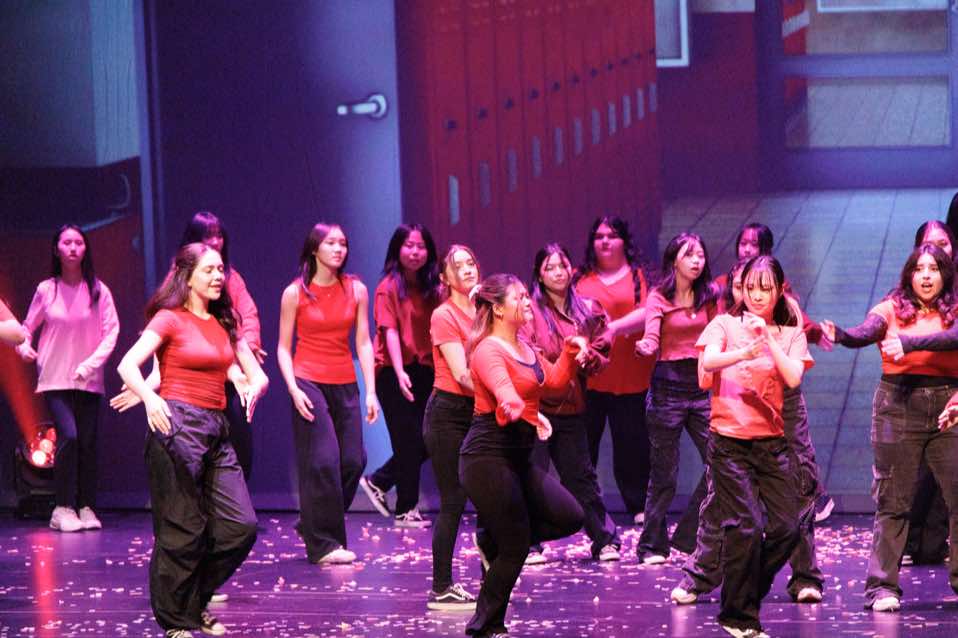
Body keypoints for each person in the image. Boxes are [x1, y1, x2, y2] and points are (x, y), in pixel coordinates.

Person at [116, 242, 267, 638]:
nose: (218, 277)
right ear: (187, 275)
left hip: (216, 427)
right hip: (175, 423)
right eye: (209, 270)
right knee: (182, 529)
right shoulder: (170, 319)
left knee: (241, 526)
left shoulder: (224, 323)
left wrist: (255, 385)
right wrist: (149, 397)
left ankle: (193, 601)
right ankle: (176, 620)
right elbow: (127, 364)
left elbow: (254, 373)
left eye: (220, 270)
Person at [673, 257, 826, 607]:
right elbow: (705, 372)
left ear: (777, 289)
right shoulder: (725, 323)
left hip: (782, 414)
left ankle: (804, 575)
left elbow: (792, 374)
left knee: (797, 494)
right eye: (744, 286)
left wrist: (766, 340)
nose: (753, 294)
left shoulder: (789, 320)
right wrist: (737, 353)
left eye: (762, 287)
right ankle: (701, 575)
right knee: (725, 504)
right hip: (734, 424)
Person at [823, 244, 958, 613]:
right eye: (919, 268)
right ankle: (882, 587)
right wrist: (842, 335)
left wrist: (909, 343)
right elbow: (867, 331)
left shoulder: (954, 309)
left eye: (934, 268)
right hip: (898, 405)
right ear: (909, 274)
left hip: (949, 406)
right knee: (893, 500)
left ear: (945, 274)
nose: (926, 275)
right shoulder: (892, 307)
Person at [460, 273, 585, 637]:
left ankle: (493, 540)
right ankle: (485, 625)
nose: (528, 302)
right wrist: (510, 403)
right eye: (519, 298)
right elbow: (501, 386)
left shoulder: (526, 347)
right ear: (498, 309)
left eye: (527, 297)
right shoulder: (488, 349)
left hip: (518, 456)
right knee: (515, 546)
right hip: (487, 456)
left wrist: (570, 353)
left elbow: (554, 384)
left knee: (571, 516)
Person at [276, 222, 380, 565]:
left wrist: (370, 391)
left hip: (345, 382)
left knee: (354, 461)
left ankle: (313, 522)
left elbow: (363, 342)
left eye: (343, 244)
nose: (338, 249)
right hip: (308, 380)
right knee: (322, 461)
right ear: (314, 249)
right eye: (331, 243)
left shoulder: (356, 289)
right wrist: (293, 388)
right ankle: (324, 545)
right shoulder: (295, 293)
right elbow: (283, 347)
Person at [17, 224, 119, 532]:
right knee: (70, 437)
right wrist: (23, 346)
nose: (73, 248)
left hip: (88, 378)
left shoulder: (98, 290)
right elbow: (26, 328)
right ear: (56, 249)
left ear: (85, 249)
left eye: (79, 242)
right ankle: (62, 507)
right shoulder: (47, 290)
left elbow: (111, 331)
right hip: (55, 376)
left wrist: (90, 365)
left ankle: (85, 506)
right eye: (67, 242)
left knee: (87, 443)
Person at [526, 243, 621, 562]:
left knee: (581, 477)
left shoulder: (587, 309)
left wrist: (587, 356)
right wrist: (563, 359)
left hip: (571, 407)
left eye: (562, 266)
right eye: (550, 267)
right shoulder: (529, 311)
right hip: (535, 408)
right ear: (539, 274)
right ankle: (529, 543)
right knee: (533, 476)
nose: (558, 273)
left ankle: (604, 539)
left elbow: (603, 348)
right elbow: (525, 352)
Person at [634, 233, 717, 565]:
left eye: (700, 255)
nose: (697, 261)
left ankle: (687, 536)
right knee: (664, 475)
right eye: (689, 255)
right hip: (667, 389)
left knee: (721, 460)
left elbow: (719, 336)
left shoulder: (710, 296)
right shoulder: (659, 297)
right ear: (674, 261)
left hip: (700, 387)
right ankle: (651, 544)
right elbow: (651, 336)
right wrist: (645, 346)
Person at [360, 223, 441, 528]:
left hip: (425, 369)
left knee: (430, 438)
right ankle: (406, 508)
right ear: (398, 249)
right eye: (409, 246)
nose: (415, 252)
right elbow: (389, 331)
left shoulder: (433, 286)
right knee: (407, 439)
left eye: (421, 246)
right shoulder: (388, 287)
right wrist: (398, 371)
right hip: (392, 371)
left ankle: (380, 480)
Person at [574, 216, 654, 525]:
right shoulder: (579, 277)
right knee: (584, 448)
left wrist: (614, 328)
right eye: (599, 236)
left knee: (632, 448)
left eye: (612, 235)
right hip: (589, 379)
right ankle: (582, 509)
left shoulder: (638, 276)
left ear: (624, 241)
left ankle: (637, 505)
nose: (605, 241)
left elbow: (649, 314)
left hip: (631, 378)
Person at [423, 244, 481, 610]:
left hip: (479, 410)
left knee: (491, 495)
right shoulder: (444, 315)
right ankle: (441, 586)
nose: (467, 269)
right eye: (458, 266)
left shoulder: (486, 311)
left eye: (471, 263)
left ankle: (494, 574)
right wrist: (505, 394)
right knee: (454, 499)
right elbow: (462, 374)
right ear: (445, 278)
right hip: (448, 412)